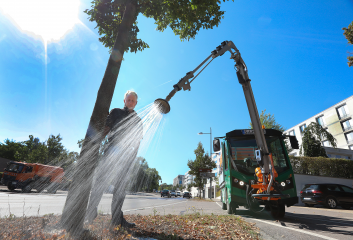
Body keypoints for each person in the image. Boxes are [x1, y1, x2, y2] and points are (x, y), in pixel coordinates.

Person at [85, 90, 143, 228]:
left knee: (120, 190)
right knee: (99, 184)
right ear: (124, 101)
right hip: (110, 153)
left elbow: (137, 142)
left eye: (132, 101)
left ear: (136, 103)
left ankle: (117, 219)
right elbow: (106, 129)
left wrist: (132, 159)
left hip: (126, 158)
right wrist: (96, 145)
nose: (130, 102)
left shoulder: (138, 120)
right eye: (128, 100)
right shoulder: (116, 112)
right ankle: (90, 215)